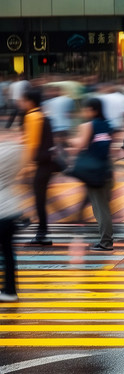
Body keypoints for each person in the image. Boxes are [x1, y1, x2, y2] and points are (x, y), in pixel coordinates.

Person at [70, 98, 114, 251]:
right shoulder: (107, 124)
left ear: (93, 110)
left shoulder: (89, 125)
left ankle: (106, 242)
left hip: (95, 172)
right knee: (103, 207)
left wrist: (70, 141)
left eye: (86, 109)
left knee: (100, 209)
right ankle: (106, 240)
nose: (84, 112)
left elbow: (80, 144)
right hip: (106, 170)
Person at [21, 88, 55, 246]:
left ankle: (40, 233)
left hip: (39, 166)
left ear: (30, 101)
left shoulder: (32, 116)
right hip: (46, 164)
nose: (22, 103)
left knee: (39, 200)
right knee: (39, 199)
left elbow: (32, 144)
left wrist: (26, 167)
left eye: (24, 100)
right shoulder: (43, 115)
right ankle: (38, 230)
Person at [0, 140, 23, 301]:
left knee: (7, 253)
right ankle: (10, 290)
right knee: (8, 253)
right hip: (11, 211)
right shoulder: (12, 155)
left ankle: (9, 290)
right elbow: (18, 147)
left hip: (2, 212)